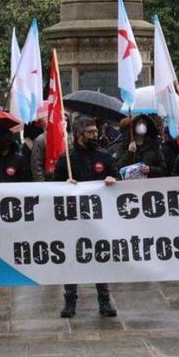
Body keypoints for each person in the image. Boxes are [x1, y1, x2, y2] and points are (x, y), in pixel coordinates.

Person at [54, 117, 119, 318]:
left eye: (95, 131)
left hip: (99, 219)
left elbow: (118, 179)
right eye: (90, 132)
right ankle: (70, 300)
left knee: (100, 257)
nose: (95, 135)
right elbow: (53, 187)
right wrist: (65, 184)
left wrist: (112, 179)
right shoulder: (66, 159)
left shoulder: (104, 156)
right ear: (79, 135)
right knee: (73, 258)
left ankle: (104, 300)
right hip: (74, 218)